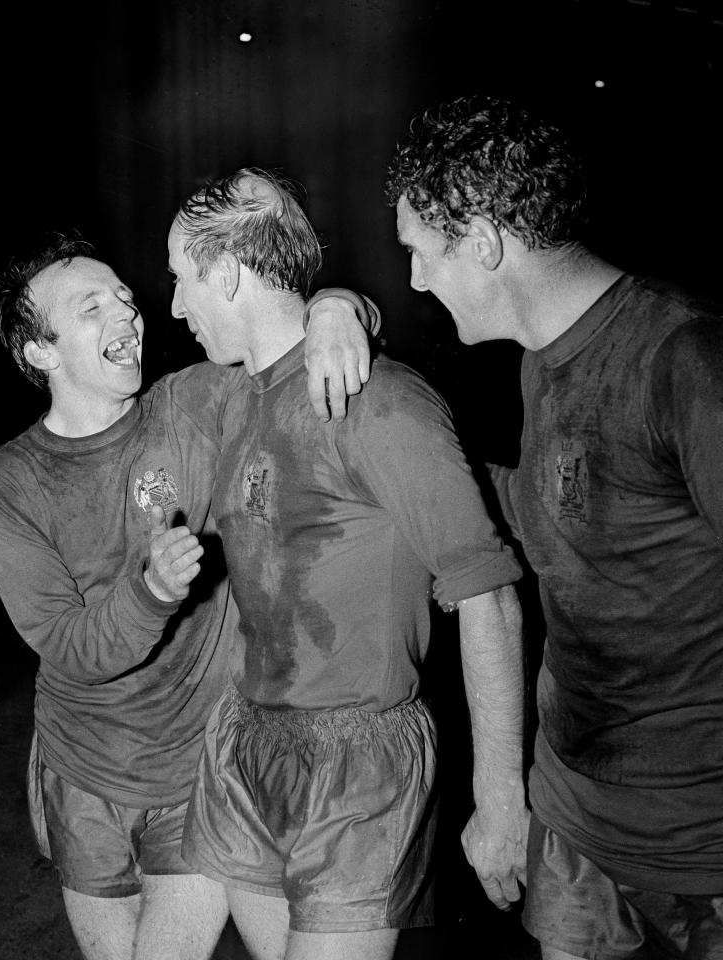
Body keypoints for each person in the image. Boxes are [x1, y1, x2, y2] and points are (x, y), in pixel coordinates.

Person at [0, 234, 377, 960]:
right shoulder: (2, 482)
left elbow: (284, 348)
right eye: (92, 308)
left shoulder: (196, 401)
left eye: (124, 296)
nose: (127, 313)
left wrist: (341, 308)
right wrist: (151, 591)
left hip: (198, 768)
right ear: (41, 353)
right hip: (82, 769)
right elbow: (68, 645)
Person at [385, 95, 723, 960]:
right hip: (576, 810)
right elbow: (570, 517)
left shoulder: (685, 356)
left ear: (488, 246)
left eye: (421, 255)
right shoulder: (545, 361)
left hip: (700, 836)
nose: (416, 280)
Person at [168, 168, 529, 960]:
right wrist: (343, 300)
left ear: (225, 273)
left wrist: (501, 800)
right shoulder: (236, 397)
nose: (174, 306)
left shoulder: (382, 400)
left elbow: (488, 596)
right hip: (247, 740)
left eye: (181, 279)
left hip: (358, 764)